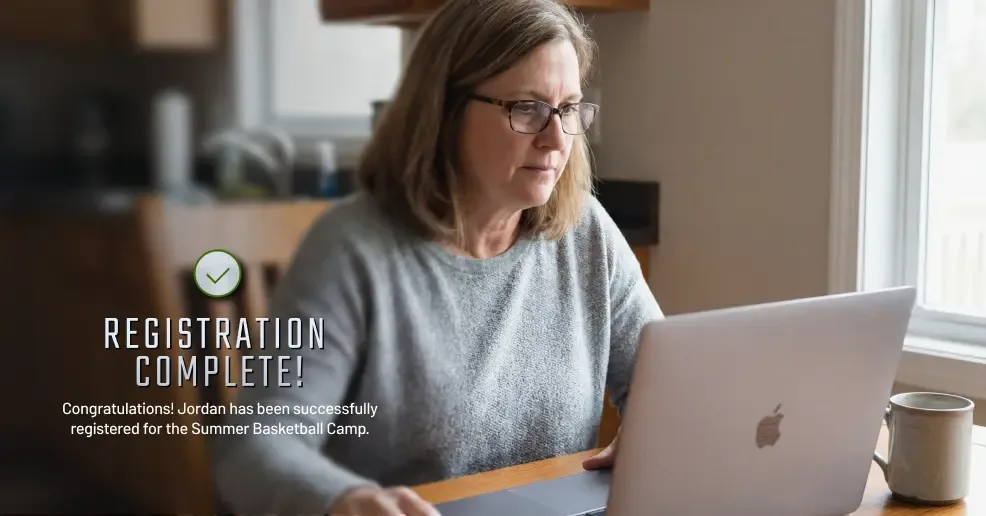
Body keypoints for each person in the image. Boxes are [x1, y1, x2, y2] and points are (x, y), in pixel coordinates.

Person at [211, 0, 663, 514]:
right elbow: (254, 448)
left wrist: (659, 434)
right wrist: (342, 501)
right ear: (444, 110)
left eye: (569, 109)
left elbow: (665, 388)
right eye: (527, 108)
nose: (556, 139)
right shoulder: (352, 250)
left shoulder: (586, 233)